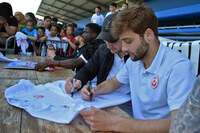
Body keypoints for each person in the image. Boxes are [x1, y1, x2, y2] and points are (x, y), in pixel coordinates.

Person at [79, 5, 196, 132]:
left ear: (148, 35)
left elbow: (182, 124)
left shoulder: (178, 67)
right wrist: (94, 91)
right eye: (122, 42)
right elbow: (114, 82)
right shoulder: (133, 61)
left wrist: (115, 123)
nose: (123, 49)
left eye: (128, 41)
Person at [65, 14, 132, 115]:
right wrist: (77, 80)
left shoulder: (135, 56)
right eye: (106, 39)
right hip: (101, 98)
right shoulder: (103, 49)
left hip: (127, 103)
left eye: (112, 40)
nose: (108, 45)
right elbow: (88, 69)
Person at [35, 23, 103, 72]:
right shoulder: (87, 45)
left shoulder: (95, 46)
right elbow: (71, 57)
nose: (82, 35)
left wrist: (51, 62)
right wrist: (55, 57)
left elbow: (76, 62)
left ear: (94, 34)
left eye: (85, 32)